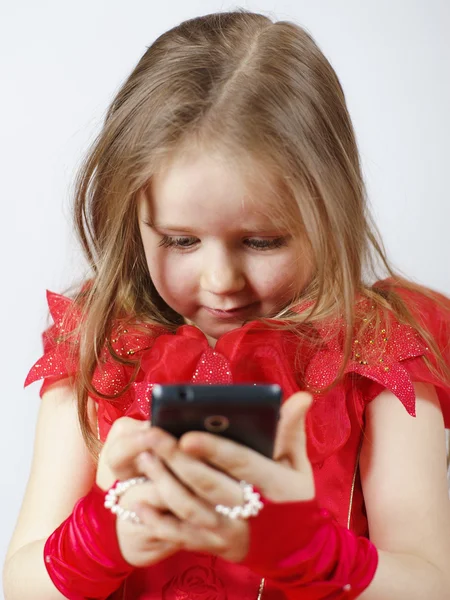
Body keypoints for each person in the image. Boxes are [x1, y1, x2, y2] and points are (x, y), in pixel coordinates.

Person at [3, 9, 450, 600]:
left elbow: (430, 582)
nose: (220, 280)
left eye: (261, 241)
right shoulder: (99, 345)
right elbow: (21, 583)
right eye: (180, 241)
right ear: (132, 219)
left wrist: (307, 551)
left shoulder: (379, 350)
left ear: (330, 210)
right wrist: (108, 536)